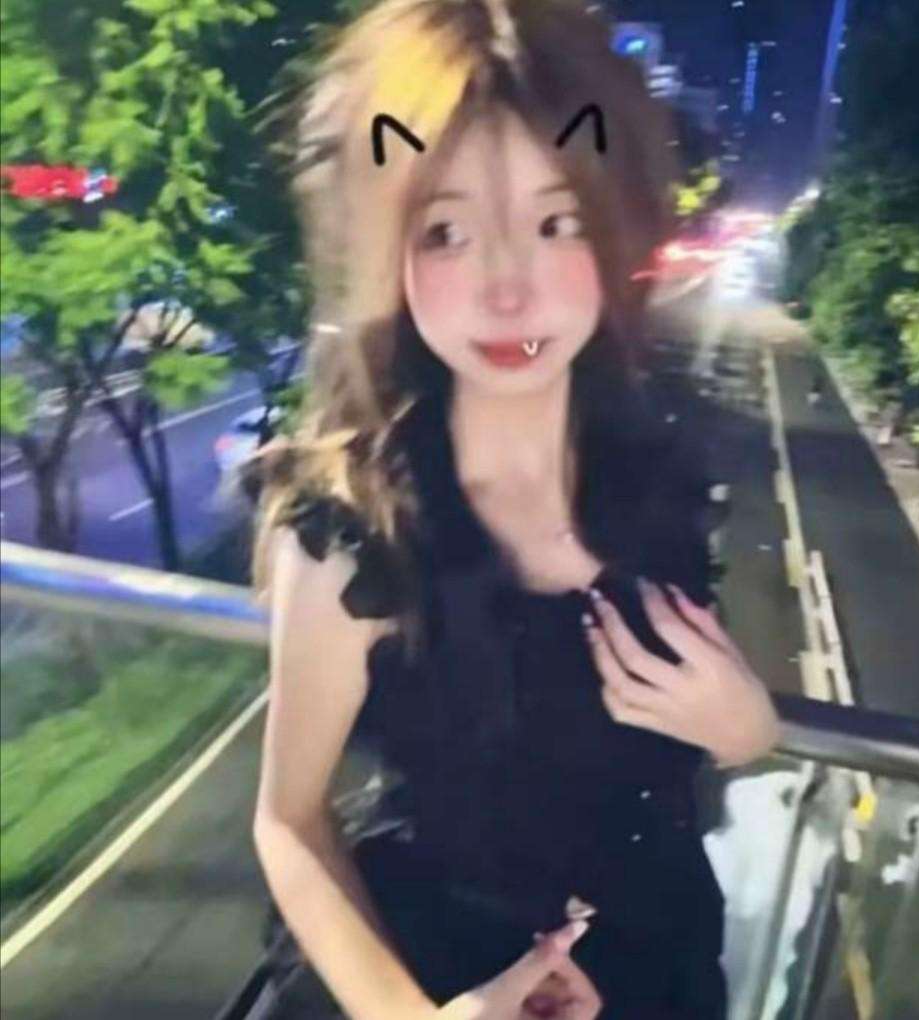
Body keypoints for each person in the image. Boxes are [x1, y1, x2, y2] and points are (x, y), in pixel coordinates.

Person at [244, 2, 781, 1017]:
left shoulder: (655, 471)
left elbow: (676, 749)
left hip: (656, 960)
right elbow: (289, 820)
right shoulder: (355, 526)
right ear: (389, 246)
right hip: (434, 961)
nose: (508, 291)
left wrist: (747, 728)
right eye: (446, 231)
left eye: (556, 222)